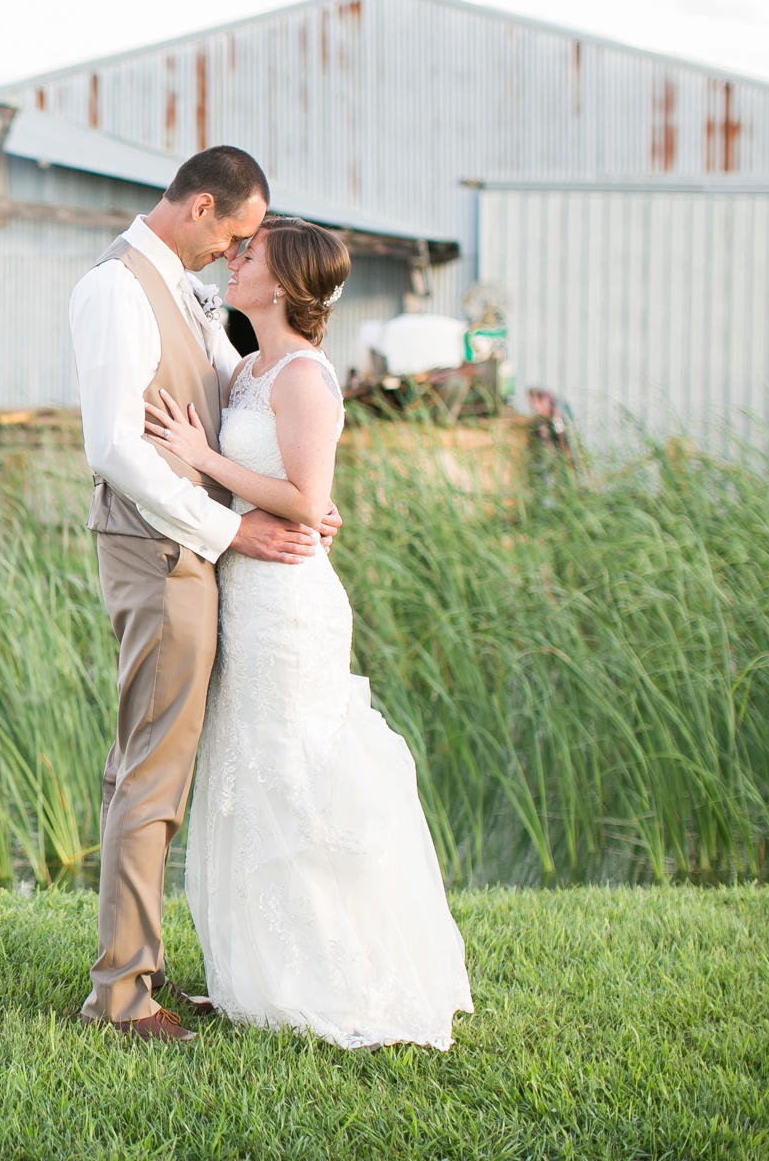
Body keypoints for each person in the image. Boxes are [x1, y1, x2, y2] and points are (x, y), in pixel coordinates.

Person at [145, 216, 474, 1050]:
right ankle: (261, 976)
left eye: (250, 253)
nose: (237, 256)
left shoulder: (303, 376)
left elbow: (301, 496)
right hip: (247, 592)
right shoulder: (248, 364)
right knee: (249, 772)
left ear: (284, 284)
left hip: (290, 603)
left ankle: (337, 975)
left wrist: (202, 455)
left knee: (293, 771)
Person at [67, 146, 339, 1042]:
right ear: (202, 208)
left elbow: (255, 400)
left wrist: (305, 500)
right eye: (238, 231)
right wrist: (230, 528)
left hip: (192, 553)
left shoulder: (182, 287)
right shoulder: (117, 288)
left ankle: (142, 968)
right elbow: (112, 444)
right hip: (160, 552)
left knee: (165, 764)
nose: (238, 250)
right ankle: (121, 994)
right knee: (150, 769)